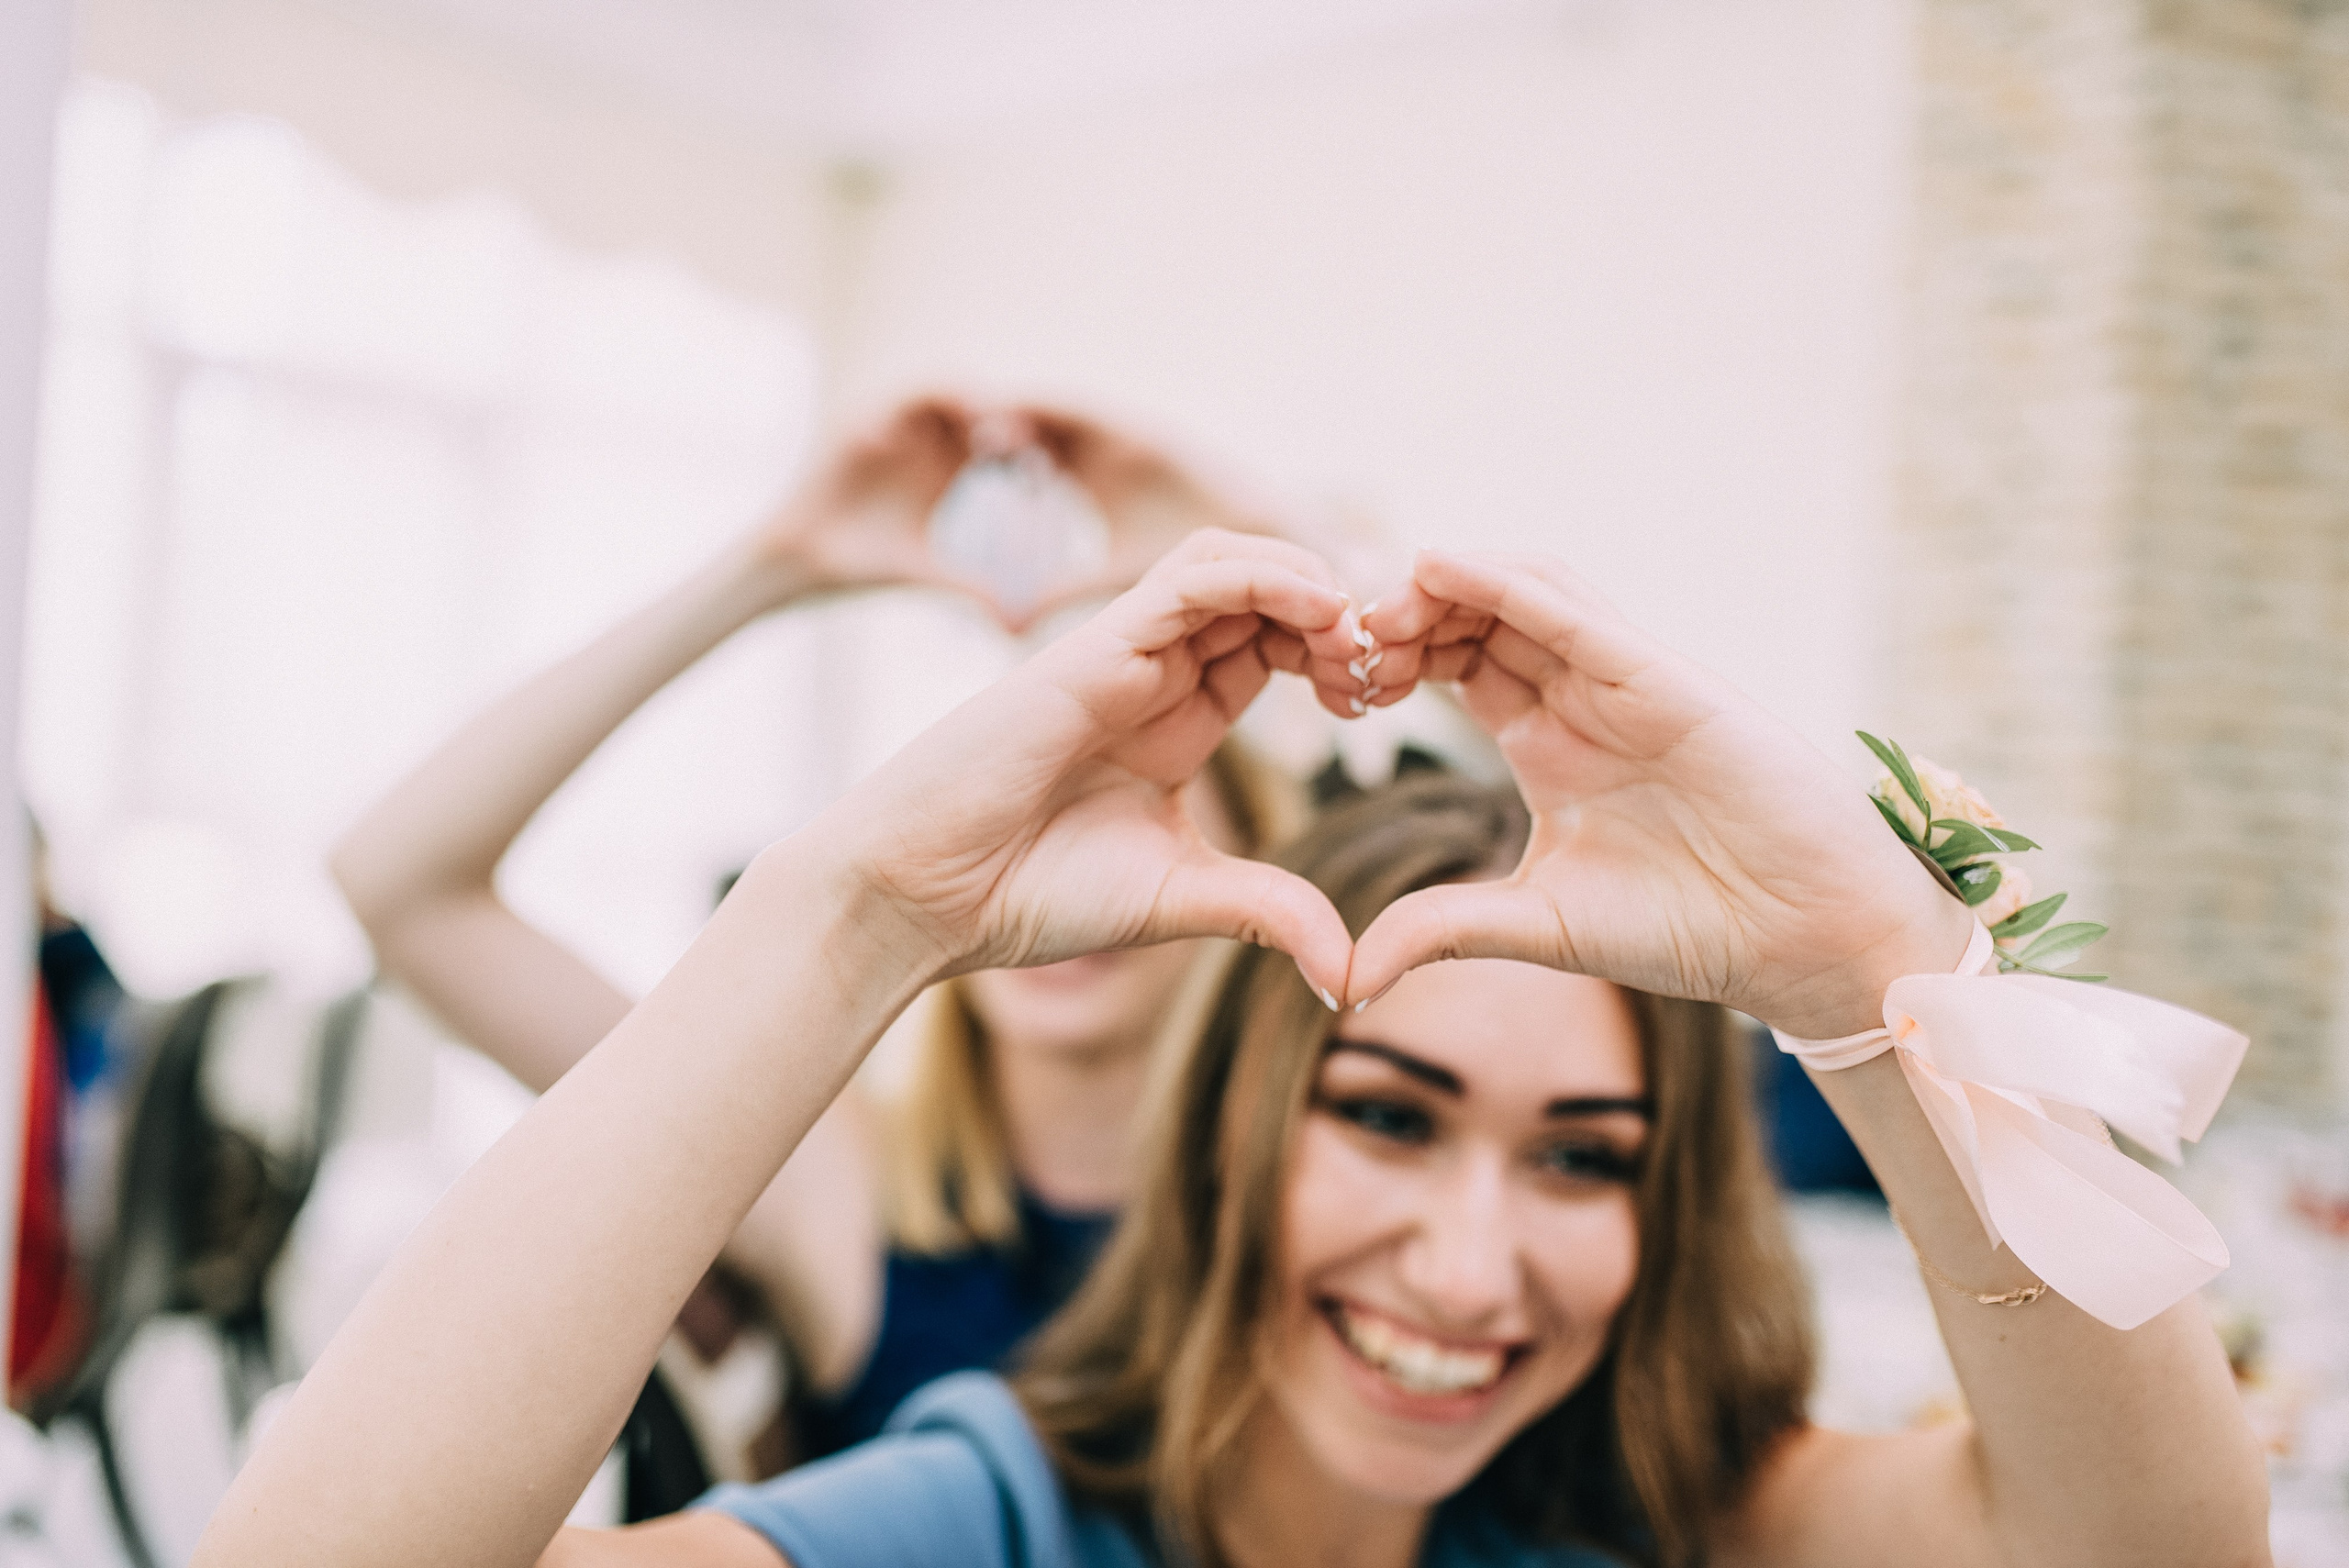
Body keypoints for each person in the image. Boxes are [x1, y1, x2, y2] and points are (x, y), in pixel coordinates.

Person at [204, 535, 2269, 1568]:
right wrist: (852, 914)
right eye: (1388, 1113)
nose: (1469, 1262)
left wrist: (1875, 981)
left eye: (1581, 1155)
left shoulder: (1670, 1506)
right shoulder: (986, 1510)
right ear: (1226, 1133)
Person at [328, 398, 1304, 1472]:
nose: (1057, 876)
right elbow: (401, 885)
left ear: (1259, 854)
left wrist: (1290, 555)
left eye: (1122, 802)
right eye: (1021, 812)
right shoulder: (831, 1178)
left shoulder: (1343, 1192)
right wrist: (768, 567)